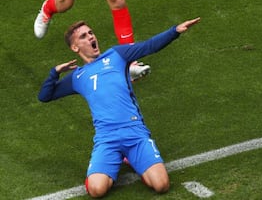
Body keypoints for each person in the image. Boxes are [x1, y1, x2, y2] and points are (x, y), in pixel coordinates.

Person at [38, 17, 200, 198]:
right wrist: (55, 72)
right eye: (83, 36)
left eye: (91, 33)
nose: (91, 37)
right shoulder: (77, 77)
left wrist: (175, 31)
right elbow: (45, 96)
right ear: (75, 48)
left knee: (162, 186)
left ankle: (133, 159)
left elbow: (148, 46)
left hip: (135, 132)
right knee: (96, 191)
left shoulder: (117, 55)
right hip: (106, 139)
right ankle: (114, 164)